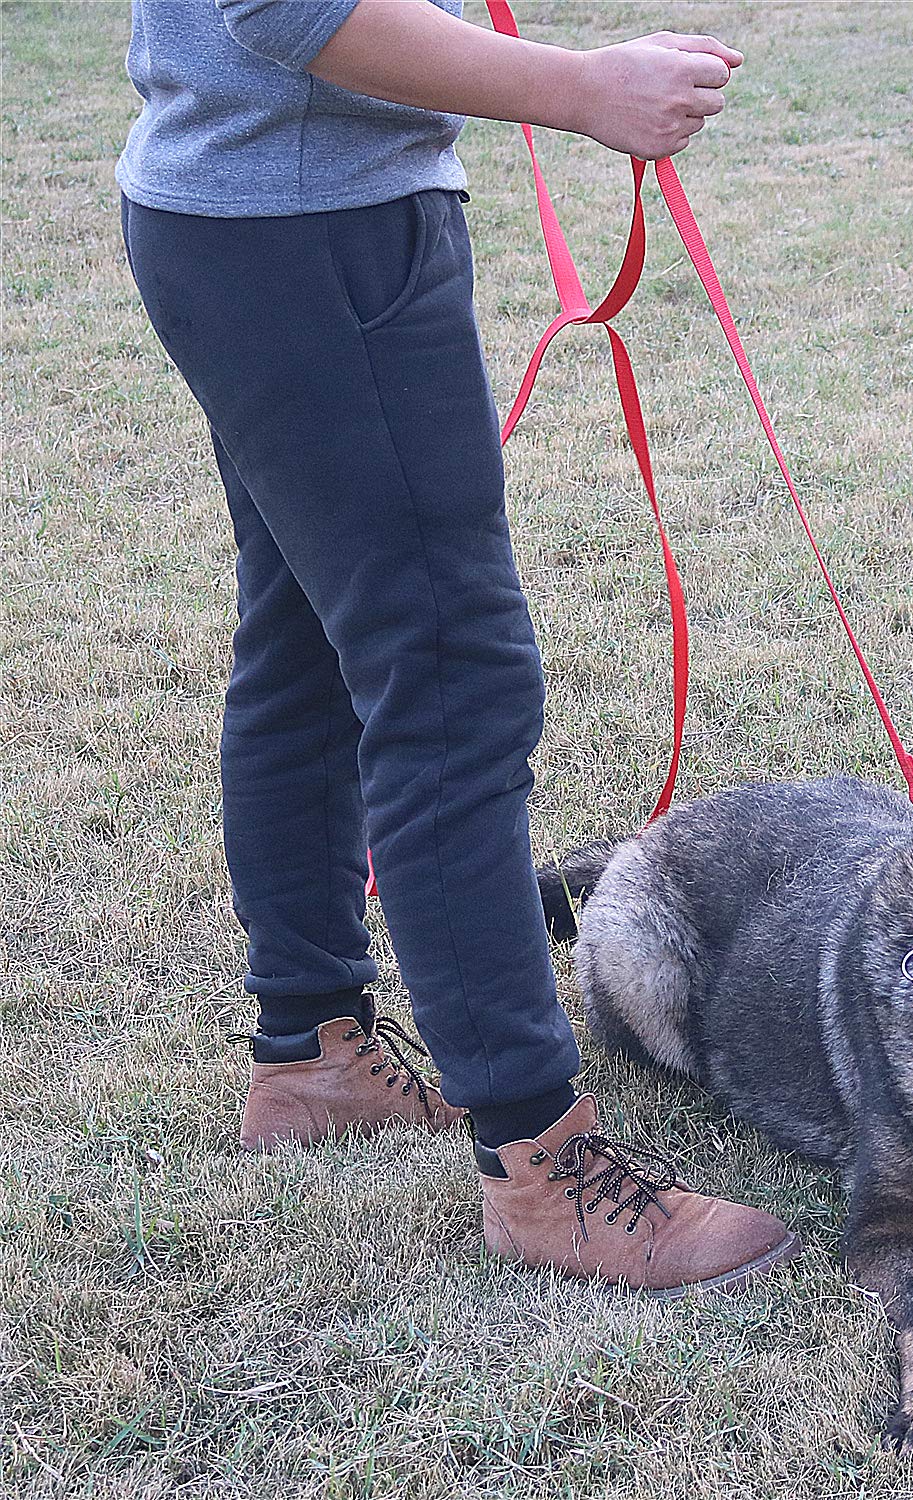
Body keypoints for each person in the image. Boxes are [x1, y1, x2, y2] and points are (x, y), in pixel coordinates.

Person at [116, 0, 799, 1296]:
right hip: (307, 232)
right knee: (451, 682)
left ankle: (310, 1057)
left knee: (312, 643)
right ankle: (543, 1167)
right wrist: (580, 86)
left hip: (264, 218)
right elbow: (290, 12)